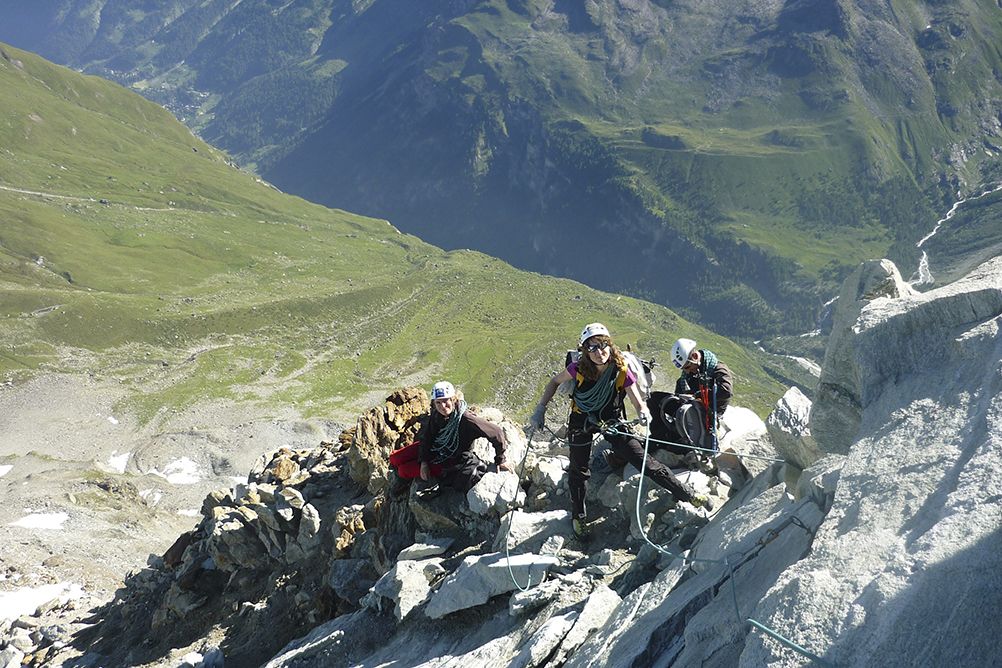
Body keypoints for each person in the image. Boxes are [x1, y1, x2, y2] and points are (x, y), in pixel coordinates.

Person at [530, 323, 711, 539]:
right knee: (579, 470)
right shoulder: (578, 368)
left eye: (603, 344)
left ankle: (687, 494)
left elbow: (635, 397)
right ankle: (579, 517)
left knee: (645, 461)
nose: (600, 352)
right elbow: (553, 382)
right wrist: (541, 409)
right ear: (585, 351)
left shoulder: (620, 368)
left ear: (610, 344)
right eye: (593, 347)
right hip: (582, 418)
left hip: (611, 419)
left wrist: (643, 411)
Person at [388, 381, 510, 498]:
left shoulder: (466, 419)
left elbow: (496, 432)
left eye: (446, 401)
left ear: (453, 399)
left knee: (403, 470)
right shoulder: (437, 415)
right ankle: (404, 473)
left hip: (449, 460)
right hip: (435, 448)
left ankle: (403, 482)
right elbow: (427, 437)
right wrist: (423, 461)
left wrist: (500, 459)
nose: (443, 406)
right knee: (394, 458)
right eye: (438, 403)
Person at [670, 338, 733, 441]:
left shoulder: (718, 369)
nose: (688, 371)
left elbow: (725, 391)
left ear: (695, 357)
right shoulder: (686, 376)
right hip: (695, 409)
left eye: (688, 367)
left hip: (713, 411)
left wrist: (697, 396)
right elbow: (679, 391)